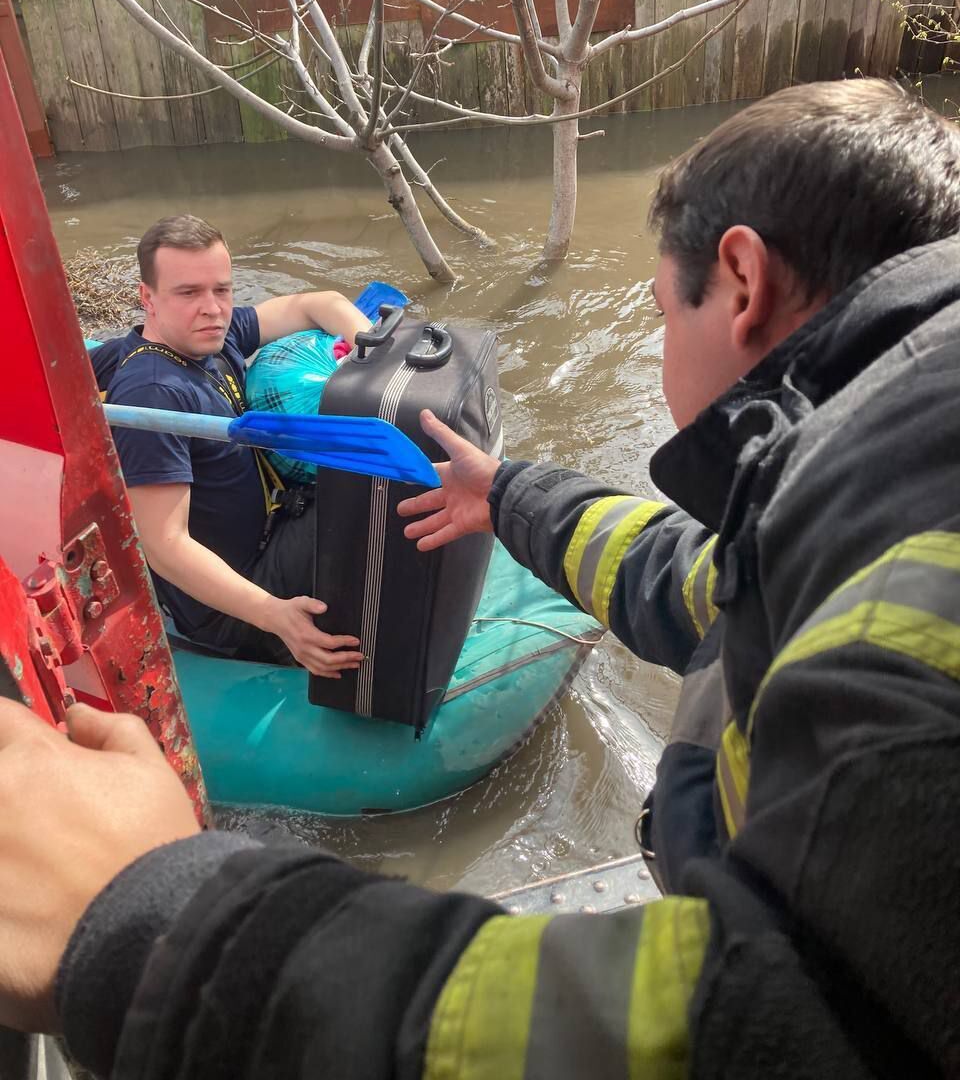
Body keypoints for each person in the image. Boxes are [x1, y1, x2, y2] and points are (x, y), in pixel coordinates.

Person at [1, 78, 958, 1078]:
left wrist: (169, 921)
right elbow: (704, 575)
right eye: (188, 293)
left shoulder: (889, 614)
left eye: (661, 308)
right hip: (228, 589)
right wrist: (500, 499)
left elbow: (760, 1019)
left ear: (742, 284)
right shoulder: (880, 480)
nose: (212, 307)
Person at [102, 214, 370, 676]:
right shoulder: (153, 393)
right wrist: (275, 614)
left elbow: (316, 303)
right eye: (188, 292)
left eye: (222, 290)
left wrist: (368, 347)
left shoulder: (210, 339)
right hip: (234, 599)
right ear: (148, 298)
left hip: (272, 525)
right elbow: (164, 544)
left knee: (360, 469)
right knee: (373, 491)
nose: (213, 308)